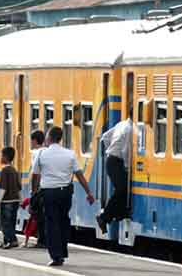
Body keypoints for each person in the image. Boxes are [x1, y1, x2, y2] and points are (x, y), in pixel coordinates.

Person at [33, 126, 94, 266]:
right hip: (65, 193)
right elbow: (79, 175)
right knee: (63, 221)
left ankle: (56, 256)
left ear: (49, 137)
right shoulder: (70, 154)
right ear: (60, 139)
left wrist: (34, 192)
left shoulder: (41, 154)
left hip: (48, 193)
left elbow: (35, 175)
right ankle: (62, 251)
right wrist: (89, 193)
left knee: (52, 223)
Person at [96, 113, 133, 234]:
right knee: (122, 189)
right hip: (117, 161)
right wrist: (127, 167)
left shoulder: (121, 124)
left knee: (121, 190)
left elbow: (105, 137)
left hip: (111, 159)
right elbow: (126, 149)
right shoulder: (130, 129)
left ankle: (117, 214)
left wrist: (110, 150)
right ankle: (104, 217)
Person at [0, 147, 21, 249]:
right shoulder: (14, 170)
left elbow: (2, 188)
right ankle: (6, 241)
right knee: (11, 222)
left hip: (6, 201)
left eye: (0, 155)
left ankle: (12, 240)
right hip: (15, 201)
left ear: (5, 157)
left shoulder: (4, 171)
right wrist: (20, 200)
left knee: (4, 223)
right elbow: (19, 187)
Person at [30, 130, 47, 248]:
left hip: (40, 188)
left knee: (39, 215)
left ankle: (41, 240)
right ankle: (45, 239)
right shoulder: (47, 151)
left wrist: (34, 190)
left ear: (34, 140)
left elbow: (35, 173)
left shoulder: (36, 153)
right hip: (49, 186)